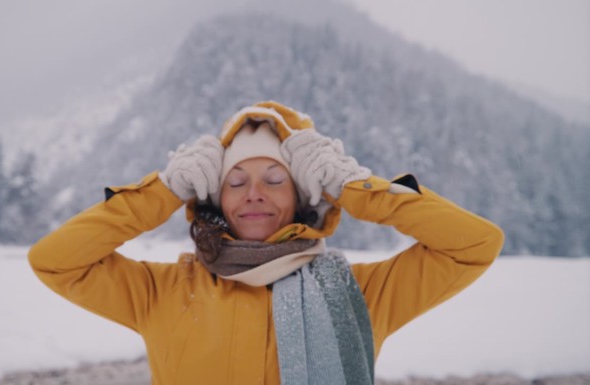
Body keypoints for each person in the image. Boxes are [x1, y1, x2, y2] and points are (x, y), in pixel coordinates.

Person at [28, 100, 504, 385]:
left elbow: (475, 245)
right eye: (235, 182)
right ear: (213, 201)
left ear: (303, 198)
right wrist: (164, 190)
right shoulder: (167, 291)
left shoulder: (358, 293)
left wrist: (355, 187)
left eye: (275, 179)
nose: (254, 192)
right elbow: (55, 261)